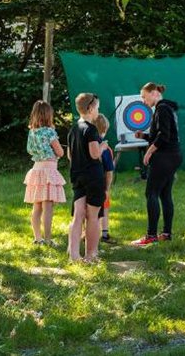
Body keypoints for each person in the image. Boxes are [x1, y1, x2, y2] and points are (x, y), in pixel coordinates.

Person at [131, 82, 183, 247]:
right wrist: (145, 136)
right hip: (173, 155)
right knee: (165, 194)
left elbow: (164, 136)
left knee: (151, 193)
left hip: (164, 157)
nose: (144, 102)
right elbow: (163, 134)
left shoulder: (162, 109)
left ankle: (151, 235)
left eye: (145, 97)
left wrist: (149, 151)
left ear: (154, 93)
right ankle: (166, 234)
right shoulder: (167, 108)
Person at [66, 93, 108, 263]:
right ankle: (91, 255)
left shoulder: (74, 129)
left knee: (78, 216)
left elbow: (70, 155)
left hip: (77, 177)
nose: (98, 111)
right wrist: (103, 147)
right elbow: (94, 153)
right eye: (97, 107)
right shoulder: (91, 130)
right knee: (92, 216)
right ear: (90, 108)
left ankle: (74, 256)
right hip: (93, 178)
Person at [23, 100, 65, 245]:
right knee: (48, 207)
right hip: (49, 171)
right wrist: (57, 152)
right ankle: (47, 239)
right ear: (48, 115)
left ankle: (37, 238)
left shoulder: (32, 132)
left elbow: (29, 150)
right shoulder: (50, 132)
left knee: (37, 207)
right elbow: (60, 151)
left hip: (36, 170)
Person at [93, 114, 117, 245]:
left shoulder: (87, 145)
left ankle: (87, 233)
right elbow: (109, 171)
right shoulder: (105, 149)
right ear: (104, 130)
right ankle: (104, 234)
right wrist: (107, 188)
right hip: (101, 185)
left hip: (88, 183)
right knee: (104, 209)